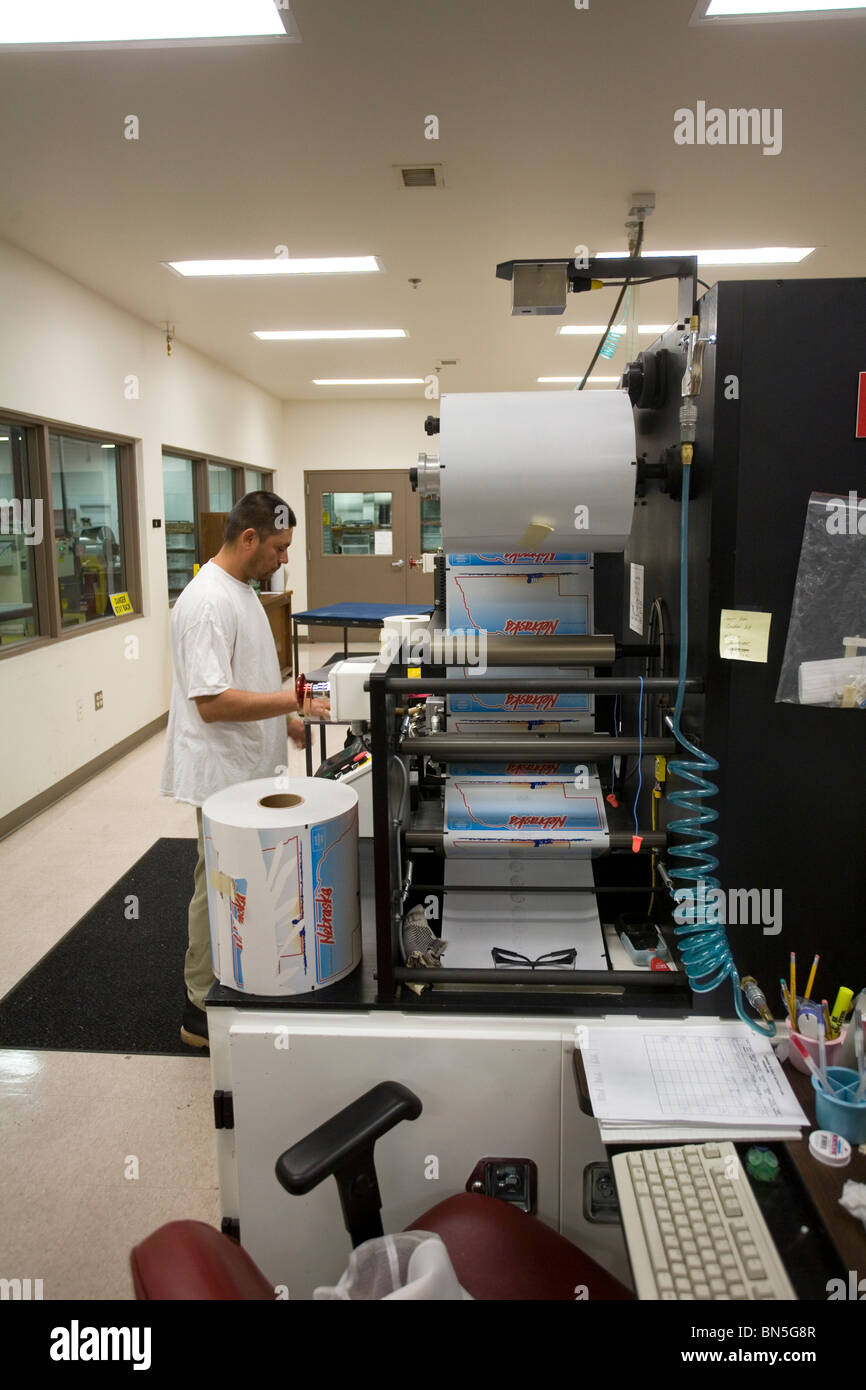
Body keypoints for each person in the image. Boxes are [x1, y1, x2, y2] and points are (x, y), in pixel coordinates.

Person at [160, 491, 329, 1048]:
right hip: (220, 774)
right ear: (249, 538)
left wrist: (284, 723)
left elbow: (244, 677)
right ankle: (199, 1009)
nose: (283, 559)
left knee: (239, 882)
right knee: (217, 886)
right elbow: (211, 702)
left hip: (248, 768)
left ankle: (242, 976)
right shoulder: (208, 601)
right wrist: (293, 701)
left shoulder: (244, 592)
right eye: (279, 548)